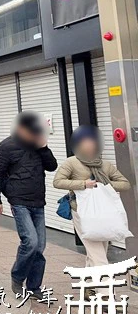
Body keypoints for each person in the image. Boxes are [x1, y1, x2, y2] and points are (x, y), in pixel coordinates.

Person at [53, 125, 130, 295]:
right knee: (99, 256)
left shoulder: (104, 164)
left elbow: (125, 184)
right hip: (82, 213)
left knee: (96, 253)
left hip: (103, 213)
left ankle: (87, 286)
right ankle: (106, 296)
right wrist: (83, 184)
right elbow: (57, 181)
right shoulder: (72, 162)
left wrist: (105, 185)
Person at [0, 111, 58, 297]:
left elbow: (52, 166)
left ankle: (34, 287)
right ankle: (18, 277)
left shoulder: (37, 144)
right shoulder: (6, 146)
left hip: (38, 200)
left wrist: (44, 148)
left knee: (40, 246)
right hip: (19, 201)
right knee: (31, 241)